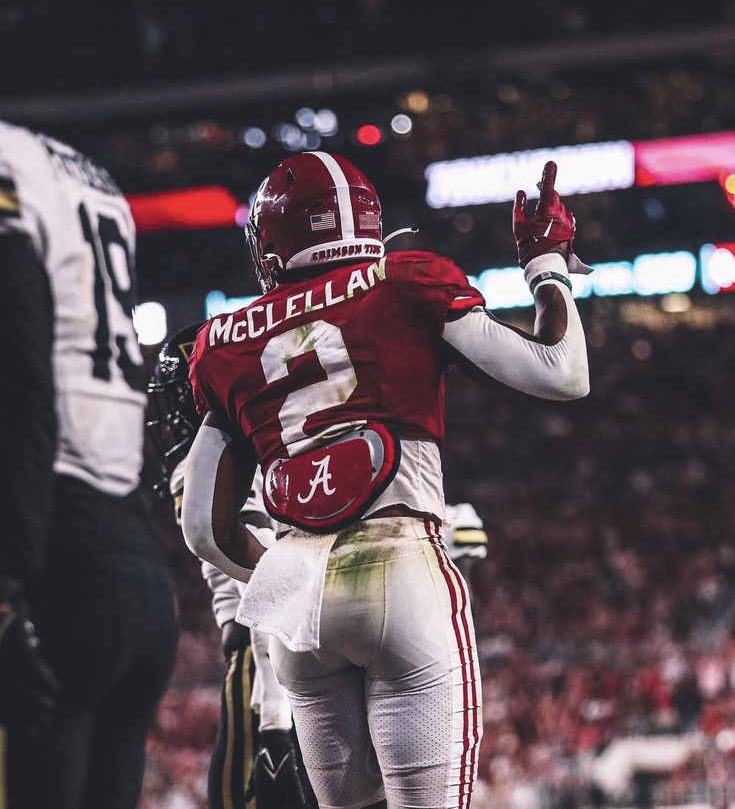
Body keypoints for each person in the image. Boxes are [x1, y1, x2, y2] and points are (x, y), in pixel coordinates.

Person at [181, 151, 590, 809]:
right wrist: (546, 266)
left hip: (298, 600)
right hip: (400, 570)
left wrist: (287, 578)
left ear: (272, 242)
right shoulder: (405, 279)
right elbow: (560, 372)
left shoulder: (221, 339)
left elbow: (203, 528)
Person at [0, 120, 177, 809]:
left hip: (51, 557)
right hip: (131, 558)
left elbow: (23, 381)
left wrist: (7, 585)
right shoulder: (83, 169)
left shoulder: (11, 165)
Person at [149, 324, 316, 809]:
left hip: (263, 663)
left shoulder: (213, 461)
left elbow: (263, 587)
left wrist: (272, 721)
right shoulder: (265, 447)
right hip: (281, 653)